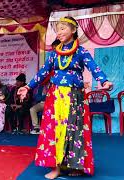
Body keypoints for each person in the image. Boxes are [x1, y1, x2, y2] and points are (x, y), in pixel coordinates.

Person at [18, 16, 113, 179]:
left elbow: (93, 67)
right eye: (58, 29)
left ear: (73, 30)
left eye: (63, 28)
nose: (59, 32)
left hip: (75, 97)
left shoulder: (81, 51)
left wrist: (104, 81)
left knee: (74, 131)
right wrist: (27, 87)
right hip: (55, 97)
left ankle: (75, 165)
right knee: (55, 130)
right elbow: (43, 73)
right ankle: (56, 168)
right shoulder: (54, 54)